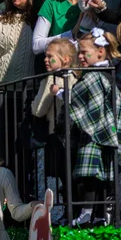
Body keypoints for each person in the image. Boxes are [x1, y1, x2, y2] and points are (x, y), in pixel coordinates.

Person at [71, 29, 121, 227]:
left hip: (98, 132)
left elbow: (94, 103)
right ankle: (95, 213)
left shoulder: (98, 75)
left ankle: (95, 212)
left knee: (96, 174)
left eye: (84, 52)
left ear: (100, 52)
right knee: (96, 174)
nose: (80, 56)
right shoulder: (98, 74)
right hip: (101, 132)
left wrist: (63, 93)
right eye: (78, 53)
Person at [31, 38, 80, 213]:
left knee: (65, 176)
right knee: (70, 176)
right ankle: (73, 212)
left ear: (65, 59)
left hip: (59, 135)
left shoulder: (54, 79)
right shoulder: (76, 76)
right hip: (73, 134)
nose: (45, 59)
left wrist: (50, 90)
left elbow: (38, 109)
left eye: (50, 56)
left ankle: (69, 212)